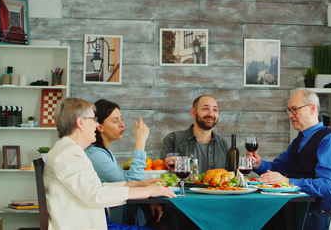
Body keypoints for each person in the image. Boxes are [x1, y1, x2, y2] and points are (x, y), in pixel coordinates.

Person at [44, 98, 176, 229]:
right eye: (94, 119)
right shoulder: (67, 155)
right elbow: (96, 194)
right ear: (80, 122)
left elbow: (96, 187)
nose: (96, 125)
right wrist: (147, 191)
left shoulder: (68, 151)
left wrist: (138, 185)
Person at [248, 89, 331, 230]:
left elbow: (328, 186)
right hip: (291, 209)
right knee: (252, 218)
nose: (290, 115)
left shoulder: (330, 139)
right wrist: (258, 164)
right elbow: (277, 169)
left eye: (295, 109)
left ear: (312, 108)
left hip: (312, 215)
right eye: (289, 110)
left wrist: (288, 182)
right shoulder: (298, 140)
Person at [85, 99, 163, 227]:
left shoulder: (104, 152)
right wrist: (140, 143)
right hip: (108, 223)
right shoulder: (95, 154)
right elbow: (132, 182)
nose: (122, 124)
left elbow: (126, 183)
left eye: (121, 119)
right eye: (115, 121)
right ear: (99, 126)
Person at [161, 95, 229, 174]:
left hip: (215, 187)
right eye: (205, 109)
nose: (211, 114)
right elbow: (161, 171)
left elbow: (233, 177)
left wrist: (246, 162)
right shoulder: (173, 139)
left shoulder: (225, 144)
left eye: (215, 110)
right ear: (193, 112)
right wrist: (167, 165)